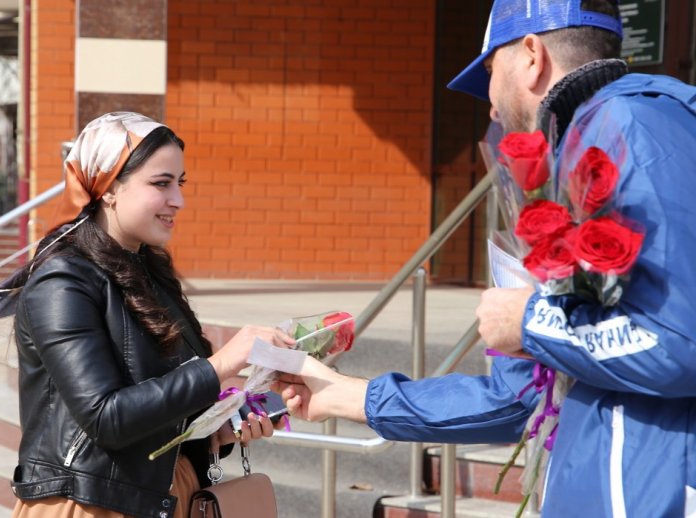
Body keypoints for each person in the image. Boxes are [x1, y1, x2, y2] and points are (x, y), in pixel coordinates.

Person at [275, 1, 696, 516]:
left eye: (491, 75)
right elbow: (522, 398)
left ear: (532, 55)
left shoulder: (628, 122)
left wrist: (530, 320)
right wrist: (347, 397)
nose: (492, 109)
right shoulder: (575, 160)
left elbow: (679, 341)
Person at [0, 112, 294, 518]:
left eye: (180, 183)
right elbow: (106, 417)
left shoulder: (149, 271)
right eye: (161, 183)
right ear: (109, 187)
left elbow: (159, 401)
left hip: (165, 494)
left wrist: (218, 426)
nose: (178, 200)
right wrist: (222, 364)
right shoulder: (62, 281)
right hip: (91, 505)